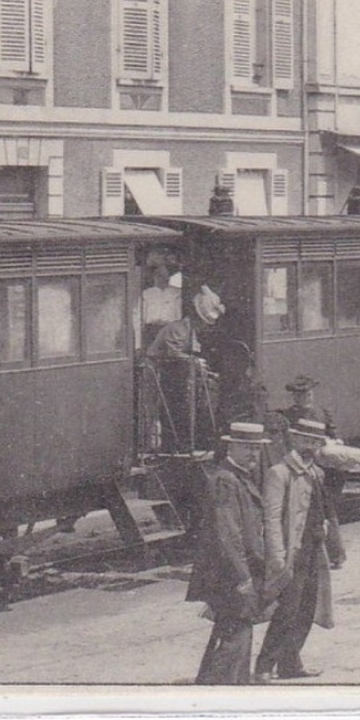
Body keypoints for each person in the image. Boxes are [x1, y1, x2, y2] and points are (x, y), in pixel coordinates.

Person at [255, 429, 345, 682]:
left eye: (315, 440)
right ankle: (264, 666)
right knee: (288, 610)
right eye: (305, 439)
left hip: (315, 550)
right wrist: (277, 556)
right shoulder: (280, 473)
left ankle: (290, 663)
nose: (311, 444)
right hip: (293, 552)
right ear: (294, 440)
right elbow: (271, 518)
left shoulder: (317, 472)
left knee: (307, 608)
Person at [187, 422, 271, 686]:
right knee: (236, 632)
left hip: (237, 571)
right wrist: (242, 577)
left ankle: (222, 682)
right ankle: (222, 688)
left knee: (233, 629)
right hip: (230, 573)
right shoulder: (225, 480)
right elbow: (228, 534)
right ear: (231, 447)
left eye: (257, 450)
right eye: (247, 448)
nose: (253, 455)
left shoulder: (238, 476)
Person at [145, 284, 225, 452]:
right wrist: (195, 362)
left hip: (174, 377)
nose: (206, 327)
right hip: (156, 376)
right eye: (204, 322)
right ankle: (172, 446)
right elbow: (172, 355)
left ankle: (191, 442)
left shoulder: (191, 331)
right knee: (166, 411)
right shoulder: (178, 330)